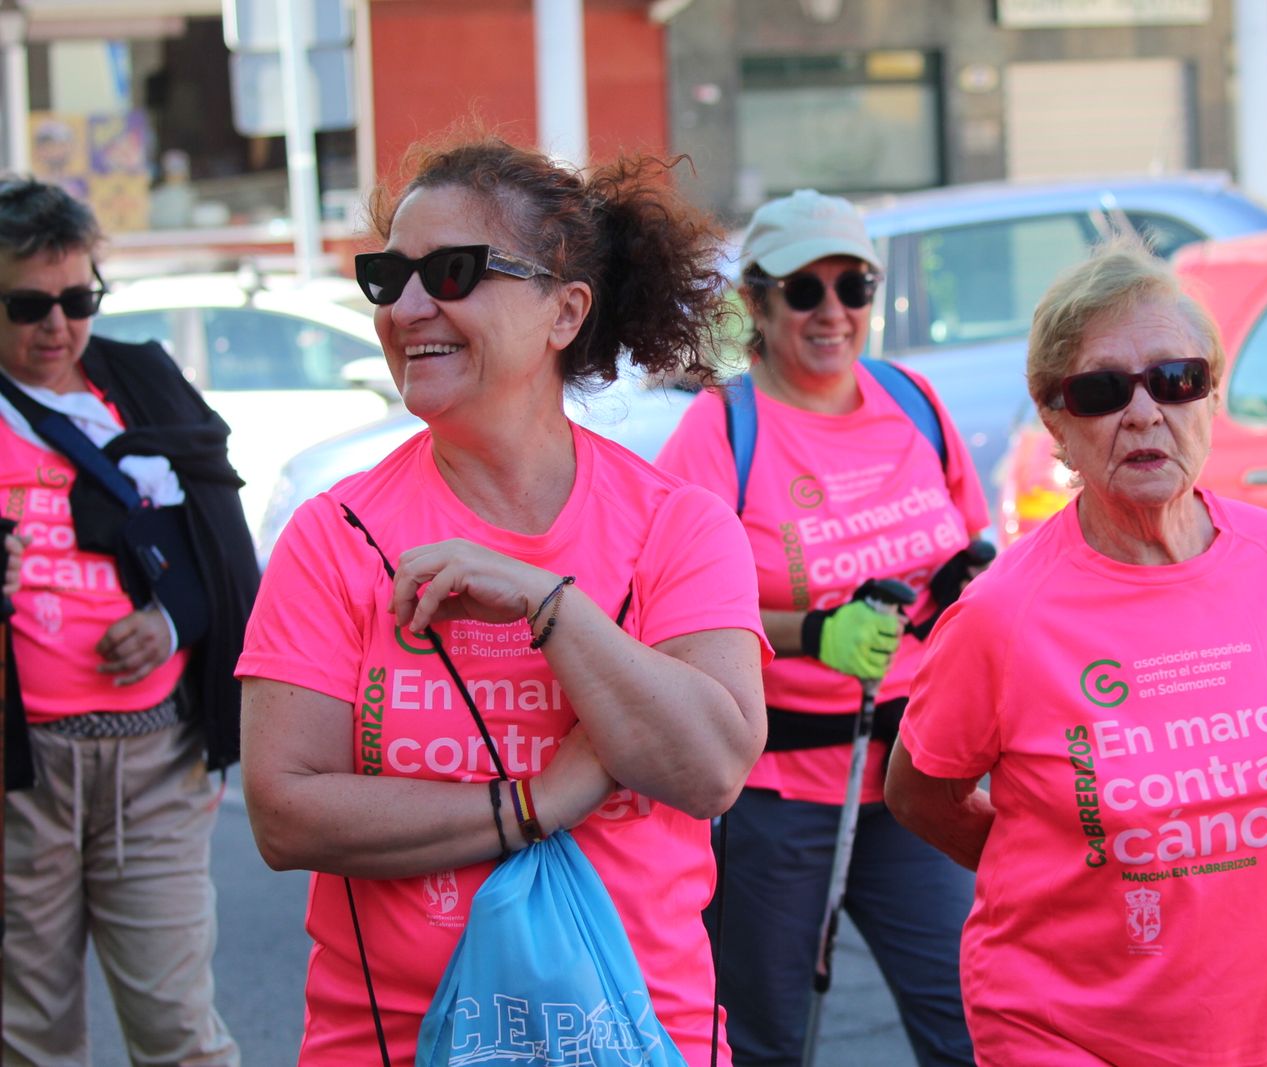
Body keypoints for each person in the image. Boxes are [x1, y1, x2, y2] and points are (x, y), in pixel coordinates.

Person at [235, 137, 769, 1066]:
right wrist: (532, 801)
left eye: (449, 271)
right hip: (394, 1043)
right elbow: (286, 813)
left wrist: (551, 607)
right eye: (387, 275)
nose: (406, 308)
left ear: (566, 311)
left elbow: (711, 767)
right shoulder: (336, 533)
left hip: (640, 1033)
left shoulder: (676, 525)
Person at [884, 237, 1267, 1066]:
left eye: (1176, 379)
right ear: (1056, 421)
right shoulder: (1001, 614)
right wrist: (1065, 866)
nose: (1144, 413)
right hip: (1057, 1025)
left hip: (1238, 1033)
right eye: (1102, 390)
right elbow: (919, 791)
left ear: (1211, 393)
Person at [654, 189, 988, 1067]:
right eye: (805, 290)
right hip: (781, 794)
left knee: (972, 1023)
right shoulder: (720, 433)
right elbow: (663, 618)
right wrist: (813, 631)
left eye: (855, 285)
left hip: (919, 770)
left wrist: (968, 587)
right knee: (766, 1041)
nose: (834, 311)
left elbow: (968, 555)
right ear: (757, 304)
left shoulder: (912, 401)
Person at [0, 175, 255, 1065]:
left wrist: (173, 621)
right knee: (27, 1039)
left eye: (77, 299)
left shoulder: (140, 377)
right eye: (28, 304)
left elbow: (218, 542)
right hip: (19, 777)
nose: (57, 327)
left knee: (179, 1033)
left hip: (155, 760)